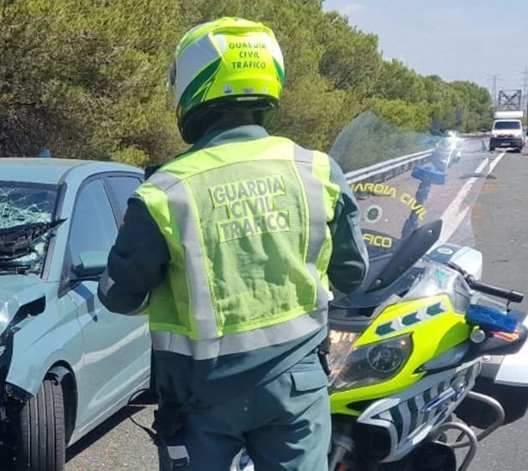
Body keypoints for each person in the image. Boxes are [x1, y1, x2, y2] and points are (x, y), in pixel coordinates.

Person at [98, 17, 369, 471]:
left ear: (191, 86)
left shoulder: (165, 191)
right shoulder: (318, 172)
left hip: (199, 397)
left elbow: (119, 296)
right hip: (295, 389)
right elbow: (351, 274)